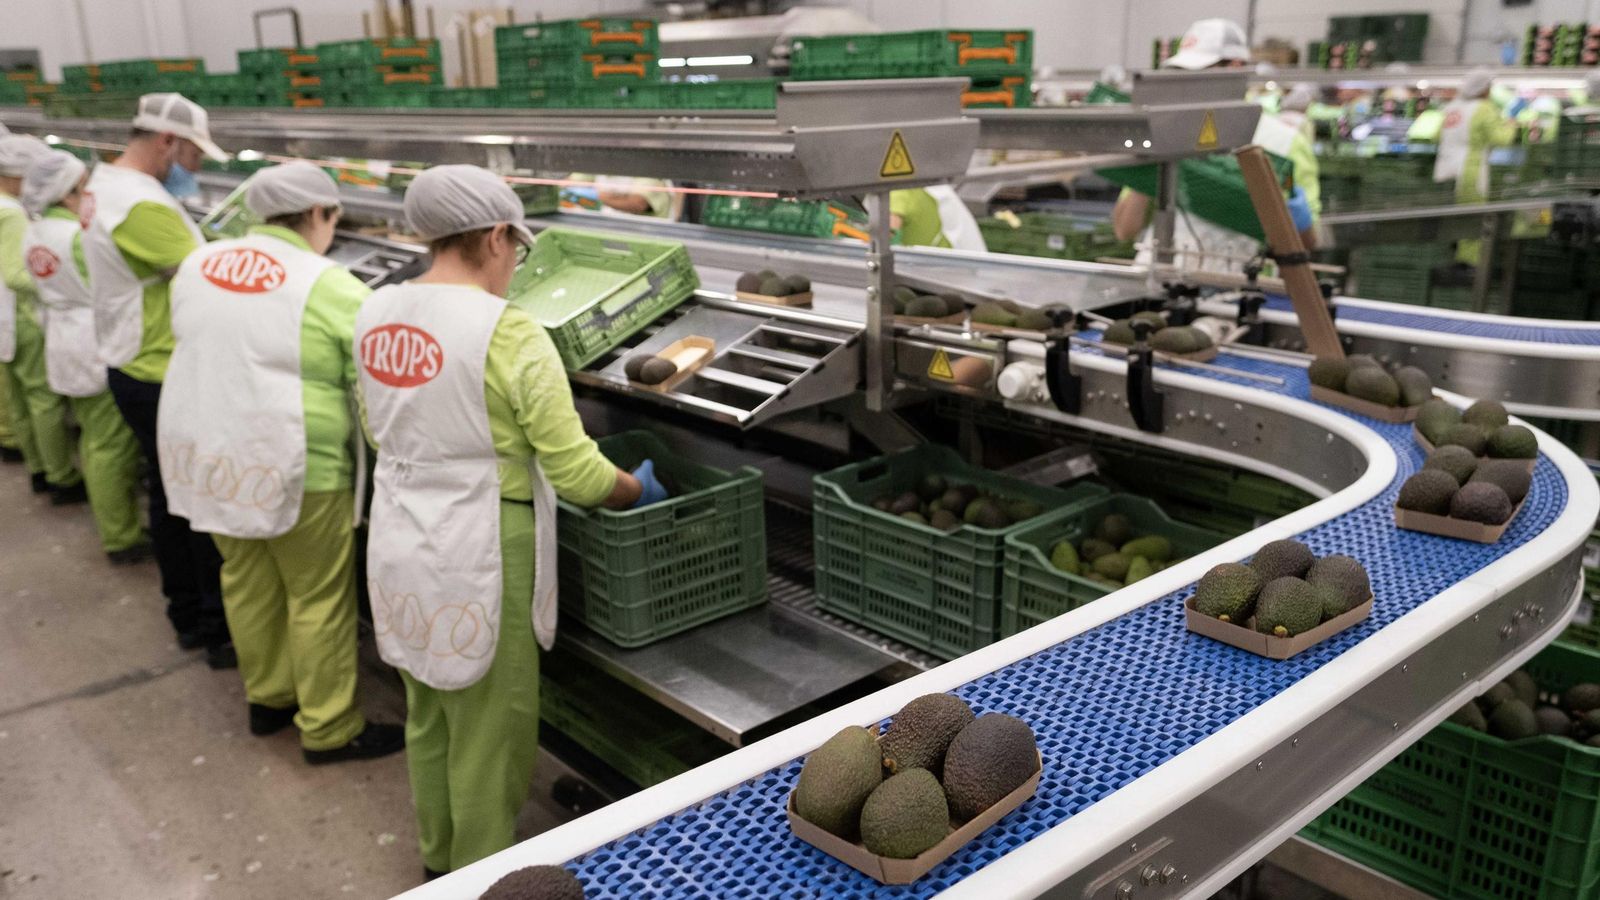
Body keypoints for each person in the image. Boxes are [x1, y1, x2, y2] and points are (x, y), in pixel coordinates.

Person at [354, 164, 659, 876]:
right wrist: (636, 490)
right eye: (517, 249)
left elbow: (375, 428)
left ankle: (439, 866)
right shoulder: (509, 332)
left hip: (399, 529)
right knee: (491, 731)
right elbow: (578, 475)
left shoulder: (374, 311)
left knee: (429, 711)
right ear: (495, 237)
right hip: (483, 546)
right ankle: (483, 878)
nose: (514, 264)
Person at [157, 161, 403, 761]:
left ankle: (268, 699)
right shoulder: (328, 283)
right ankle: (328, 726)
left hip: (209, 454)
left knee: (246, 580)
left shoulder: (198, 263)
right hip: (295, 462)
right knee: (317, 596)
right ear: (319, 213)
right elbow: (371, 378)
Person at [82, 93, 236, 669]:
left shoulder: (105, 185)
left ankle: (188, 615)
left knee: (170, 495)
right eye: (194, 154)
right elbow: (210, 280)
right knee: (196, 504)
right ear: (167, 141)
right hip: (161, 369)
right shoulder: (140, 204)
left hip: (131, 360)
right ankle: (215, 626)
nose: (195, 167)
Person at [20, 150, 149, 562]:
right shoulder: (78, 237)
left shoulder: (35, 232)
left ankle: (112, 523)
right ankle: (122, 537)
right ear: (69, 193)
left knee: (94, 441)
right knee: (112, 447)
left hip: (63, 337)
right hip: (93, 340)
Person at [1111, 18, 1316, 271]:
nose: (1187, 83)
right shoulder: (1166, 129)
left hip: (1238, 282)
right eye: (1181, 73)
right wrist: (1147, 174)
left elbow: (1306, 243)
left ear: (1235, 68)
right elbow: (1124, 229)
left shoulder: (1285, 141)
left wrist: (1293, 215)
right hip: (1161, 276)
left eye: (1198, 72)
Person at [0, 134, 85, 502]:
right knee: (43, 401)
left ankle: (37, 467)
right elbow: (15, 274)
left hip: (7, 319)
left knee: (18, 399)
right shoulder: (11, 213)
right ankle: (60, 476)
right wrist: (56, 283)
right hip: (20, 318)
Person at [1433, 68, 1516, 265]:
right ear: (1484, 89)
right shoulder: (1484, 108)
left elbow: (1436, 135)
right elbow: (1501, 139)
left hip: (1446, 169)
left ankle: (1458, 260)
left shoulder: (1452, 107)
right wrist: (1512, 125)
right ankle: (1470, 264)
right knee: (1474, 219)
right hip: (1470, 171)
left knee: (1458, 218)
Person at [888, 186, 987, 251]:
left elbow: (890, 235)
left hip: (933, 266)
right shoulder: (927, 187)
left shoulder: (898, 192)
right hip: (947, 261)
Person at [560, 173, 681, 220]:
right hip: (610, 230)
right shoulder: (598, 161)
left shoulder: (647, 165)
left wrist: (596, 195)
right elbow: (570, 183)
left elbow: (638, 203)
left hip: (650, 236)